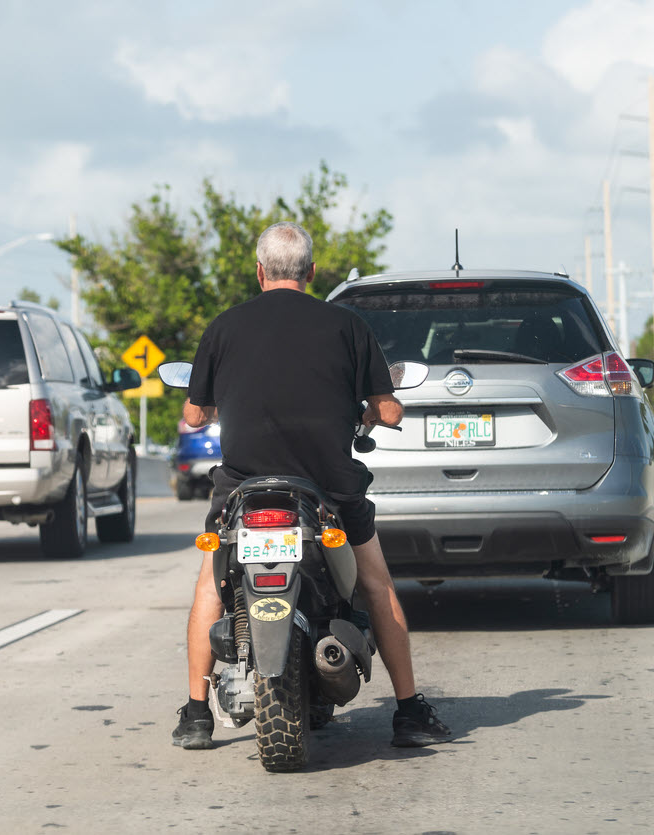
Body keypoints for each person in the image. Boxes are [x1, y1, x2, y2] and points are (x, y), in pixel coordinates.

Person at [172, 221, 451, 750]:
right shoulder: (346, 326)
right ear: (312, 272)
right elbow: (389, 408)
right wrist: (372, 409)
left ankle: (194, 714)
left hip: (242, 490)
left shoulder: (224, 327)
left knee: (211, 586)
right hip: (328, 490)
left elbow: (192, 415)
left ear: (259, 272)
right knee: (376, 585)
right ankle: (410, 711)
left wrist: (212, 402)